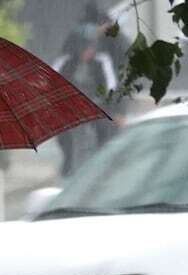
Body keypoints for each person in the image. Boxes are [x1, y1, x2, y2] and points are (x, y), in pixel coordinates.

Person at [52, 3, 122, 176]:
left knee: (105, 128)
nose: (86, 51)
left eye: (89, 47)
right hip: (70, 108)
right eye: (83, 47)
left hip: (96, 105)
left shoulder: (102, 61)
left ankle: (103, 164)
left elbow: (111, 87)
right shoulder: (66, 62)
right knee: (63, 133)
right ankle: (68, 162)